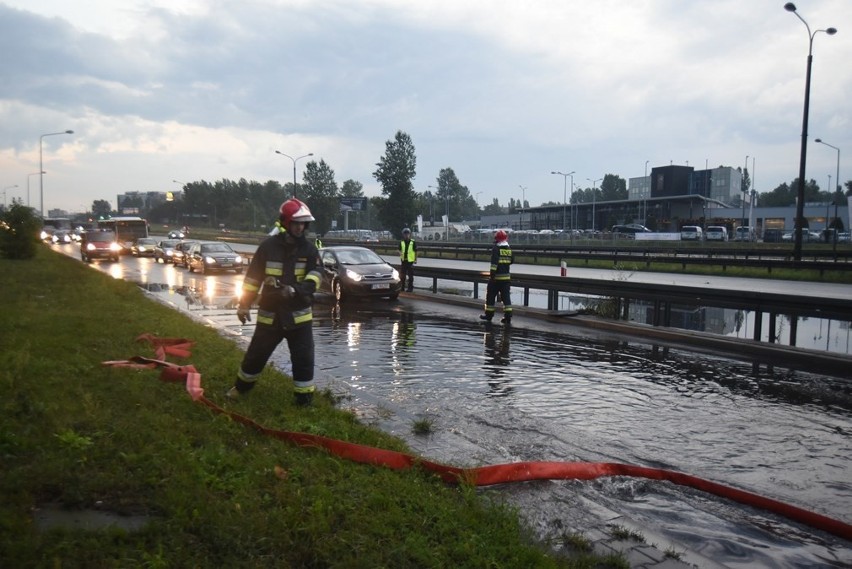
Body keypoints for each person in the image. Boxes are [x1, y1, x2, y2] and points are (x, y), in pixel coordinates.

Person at [227, 198, 323, 406]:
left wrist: (295, 290)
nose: (300, 227)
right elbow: (252, 280)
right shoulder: (267, 248)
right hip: (270, 315)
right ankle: (241, 388)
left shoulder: (309, 250)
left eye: (303, 224)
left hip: (299, 317)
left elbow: (316, 276)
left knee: (303, 360)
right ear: (285, 223)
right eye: (296, 223)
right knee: (255, 355)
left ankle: (304, 399)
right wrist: (244, 304)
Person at [480, 229, 513, 324]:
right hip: (506, 279)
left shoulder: (496, 249)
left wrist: (492, 276)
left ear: (497, 239)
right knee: (506, 298)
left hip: (496, 279)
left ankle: (489, 315)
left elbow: (494, 264)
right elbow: (511, 261)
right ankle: (508, 317)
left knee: (490, 296)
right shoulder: (508, 249)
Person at [399, 227, 417, 292]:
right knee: (402, 276)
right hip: (404, 261)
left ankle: (410, 288)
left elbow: (415, 251)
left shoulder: (413, 242)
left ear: (409, 234)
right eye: (405, 234)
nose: (406, 235)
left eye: (407, 234)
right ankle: (402, 287)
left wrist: (415, 259)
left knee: (410, 276)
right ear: (403, 235)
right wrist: (400, 254)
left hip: (410, 261)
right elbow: (399, 250)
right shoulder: (401, 242)